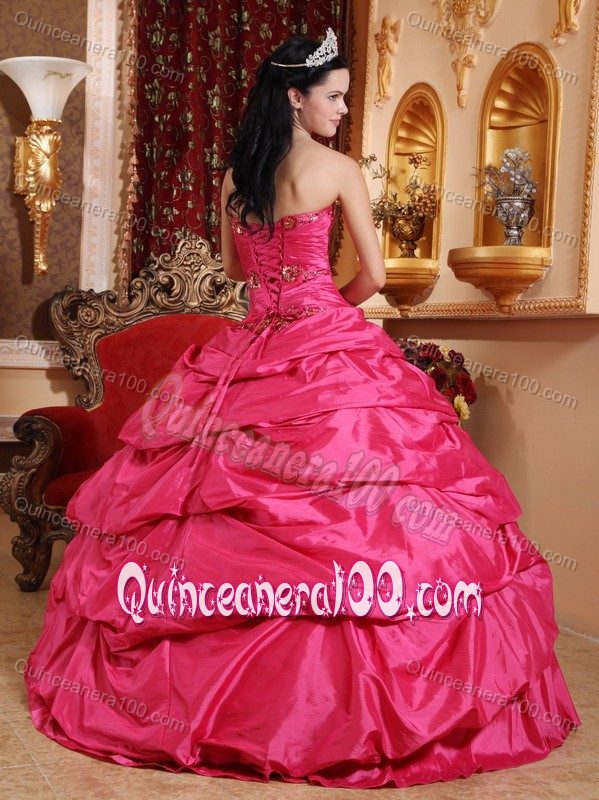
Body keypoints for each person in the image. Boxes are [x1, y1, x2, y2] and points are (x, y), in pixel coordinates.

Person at [23, 28, 580, 791]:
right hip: (326, 340)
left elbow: (233, 272)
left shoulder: (234, 178)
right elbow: (372, 277)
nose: (343, 110)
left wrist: (281, 306)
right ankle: (336, 709)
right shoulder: (338, 170)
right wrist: (327, 311)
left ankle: (205, 699)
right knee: (358, 509)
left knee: (204, 506)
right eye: (335, 96)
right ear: (295, 96)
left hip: (251, 343)